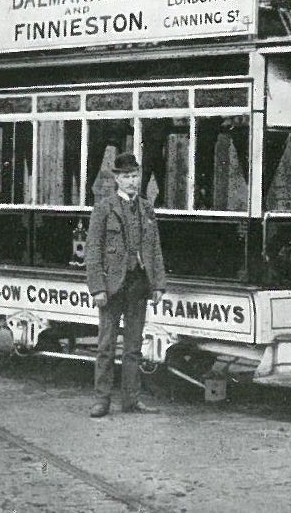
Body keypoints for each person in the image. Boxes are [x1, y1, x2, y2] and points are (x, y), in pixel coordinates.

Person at [86, 152, 167, 417]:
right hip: (111, 287)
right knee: (106, 347)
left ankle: (131, 400)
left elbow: (154, 249)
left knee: (133, 347)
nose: (132, 181)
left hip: (138, 285)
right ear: (117, 179)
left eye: (135, 176)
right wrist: (97, 287)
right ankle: (102, 401)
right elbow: (93, 251)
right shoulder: (103, 208)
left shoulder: (146, 208)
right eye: (127, 177)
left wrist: (157, 285)